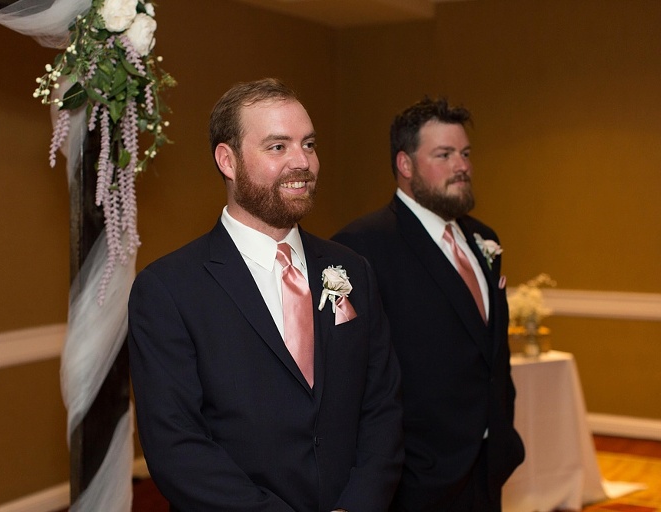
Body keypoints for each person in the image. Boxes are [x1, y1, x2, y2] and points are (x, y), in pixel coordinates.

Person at [128, 78, 404, 512]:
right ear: (228, 160)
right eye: (278, 147)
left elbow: (382, 406)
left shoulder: (352, 269)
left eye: (308, 144)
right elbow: (177, 446)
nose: (303, 162)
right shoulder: (168, 290)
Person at [332, 97, 524, 512]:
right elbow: (351, 373)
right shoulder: (363, 247)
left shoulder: (483, 238)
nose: (462, 166)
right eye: (444, 154)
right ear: (405, 164)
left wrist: (503, 433)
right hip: (417, 477)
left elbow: (490, 352)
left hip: (489, 464)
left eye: (465, 154)